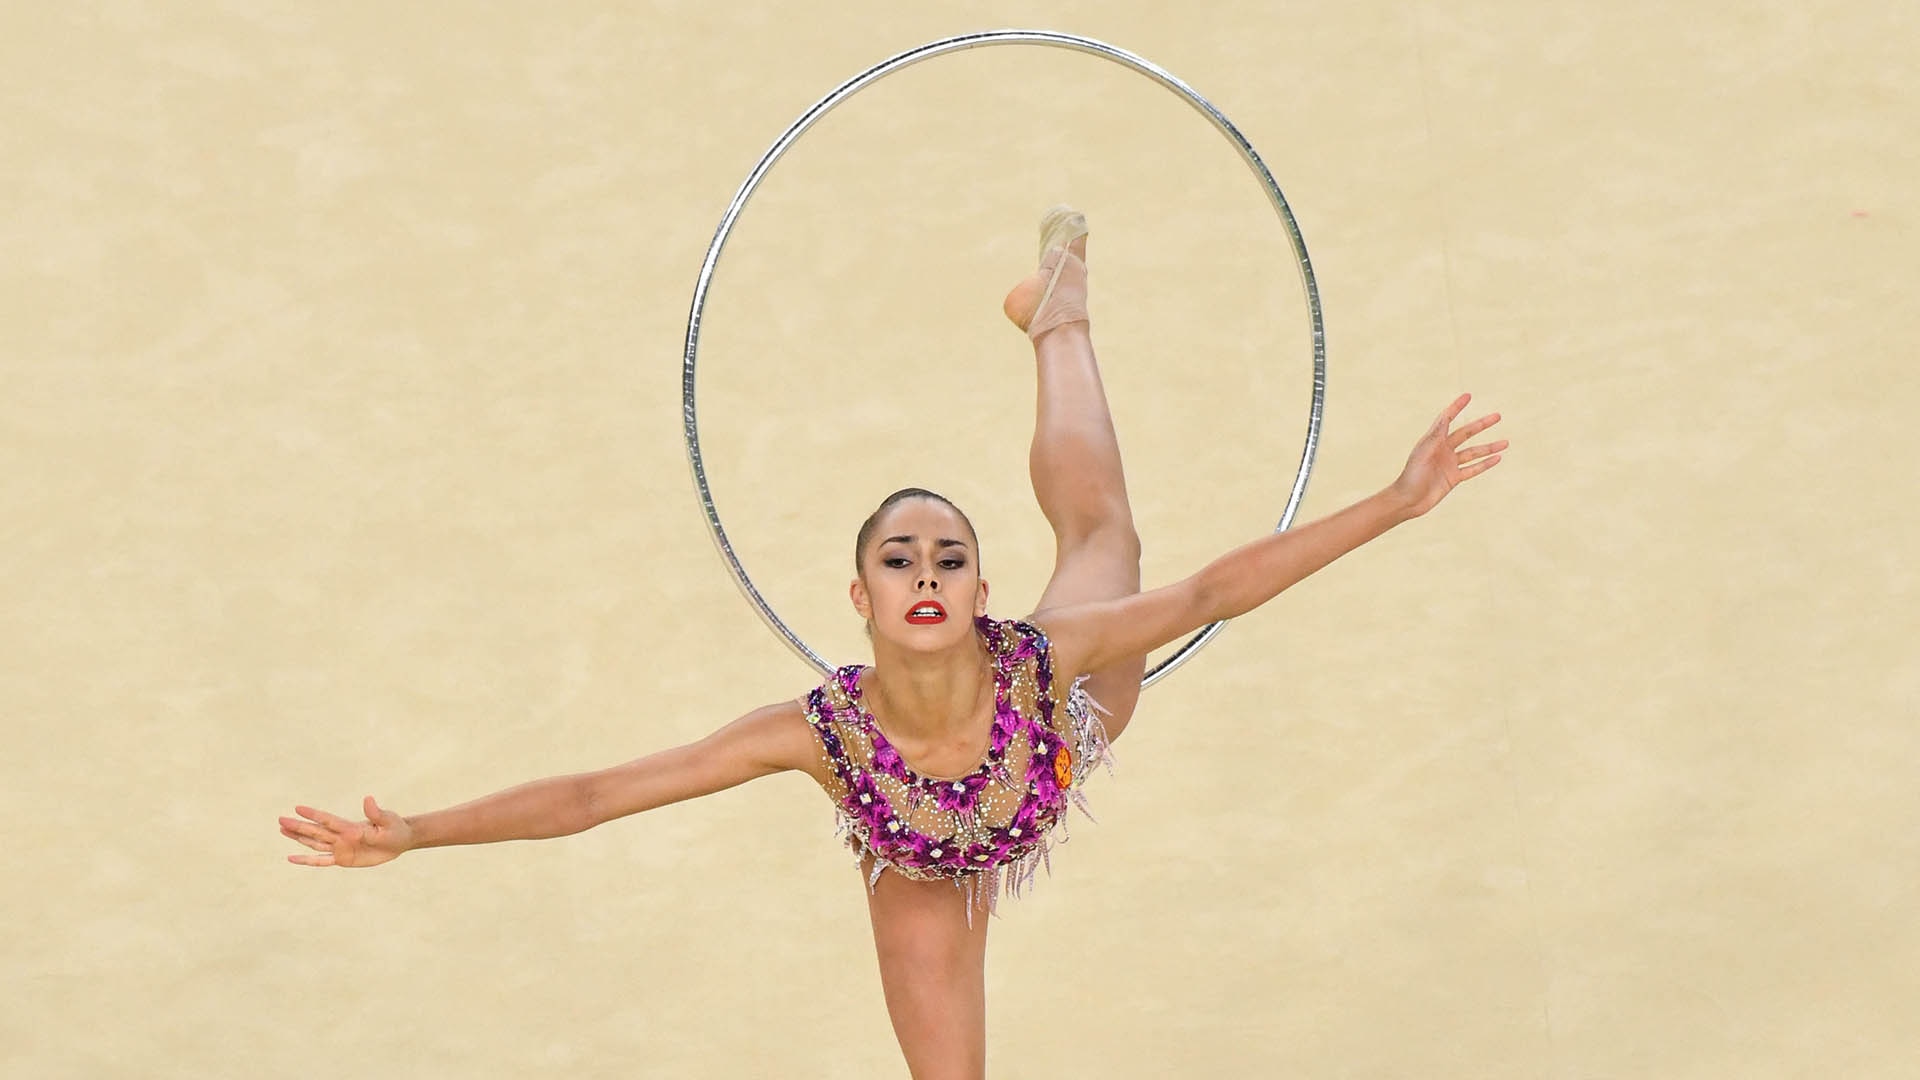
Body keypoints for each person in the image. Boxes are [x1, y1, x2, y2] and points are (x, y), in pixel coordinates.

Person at [278, 207, 1506, 1079]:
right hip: (920, 859)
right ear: (858, 601)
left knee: (1108, 531)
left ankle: (1059, 319)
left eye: (950, 558)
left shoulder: (1044, 655)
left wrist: (1394, 502)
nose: (926, 574)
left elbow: (1217, 589)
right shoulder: (813, 735)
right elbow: (599, 794)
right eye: (899, 560)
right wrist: (417, 832)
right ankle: (1058, 324)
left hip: (1060, 738)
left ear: (981, 594)